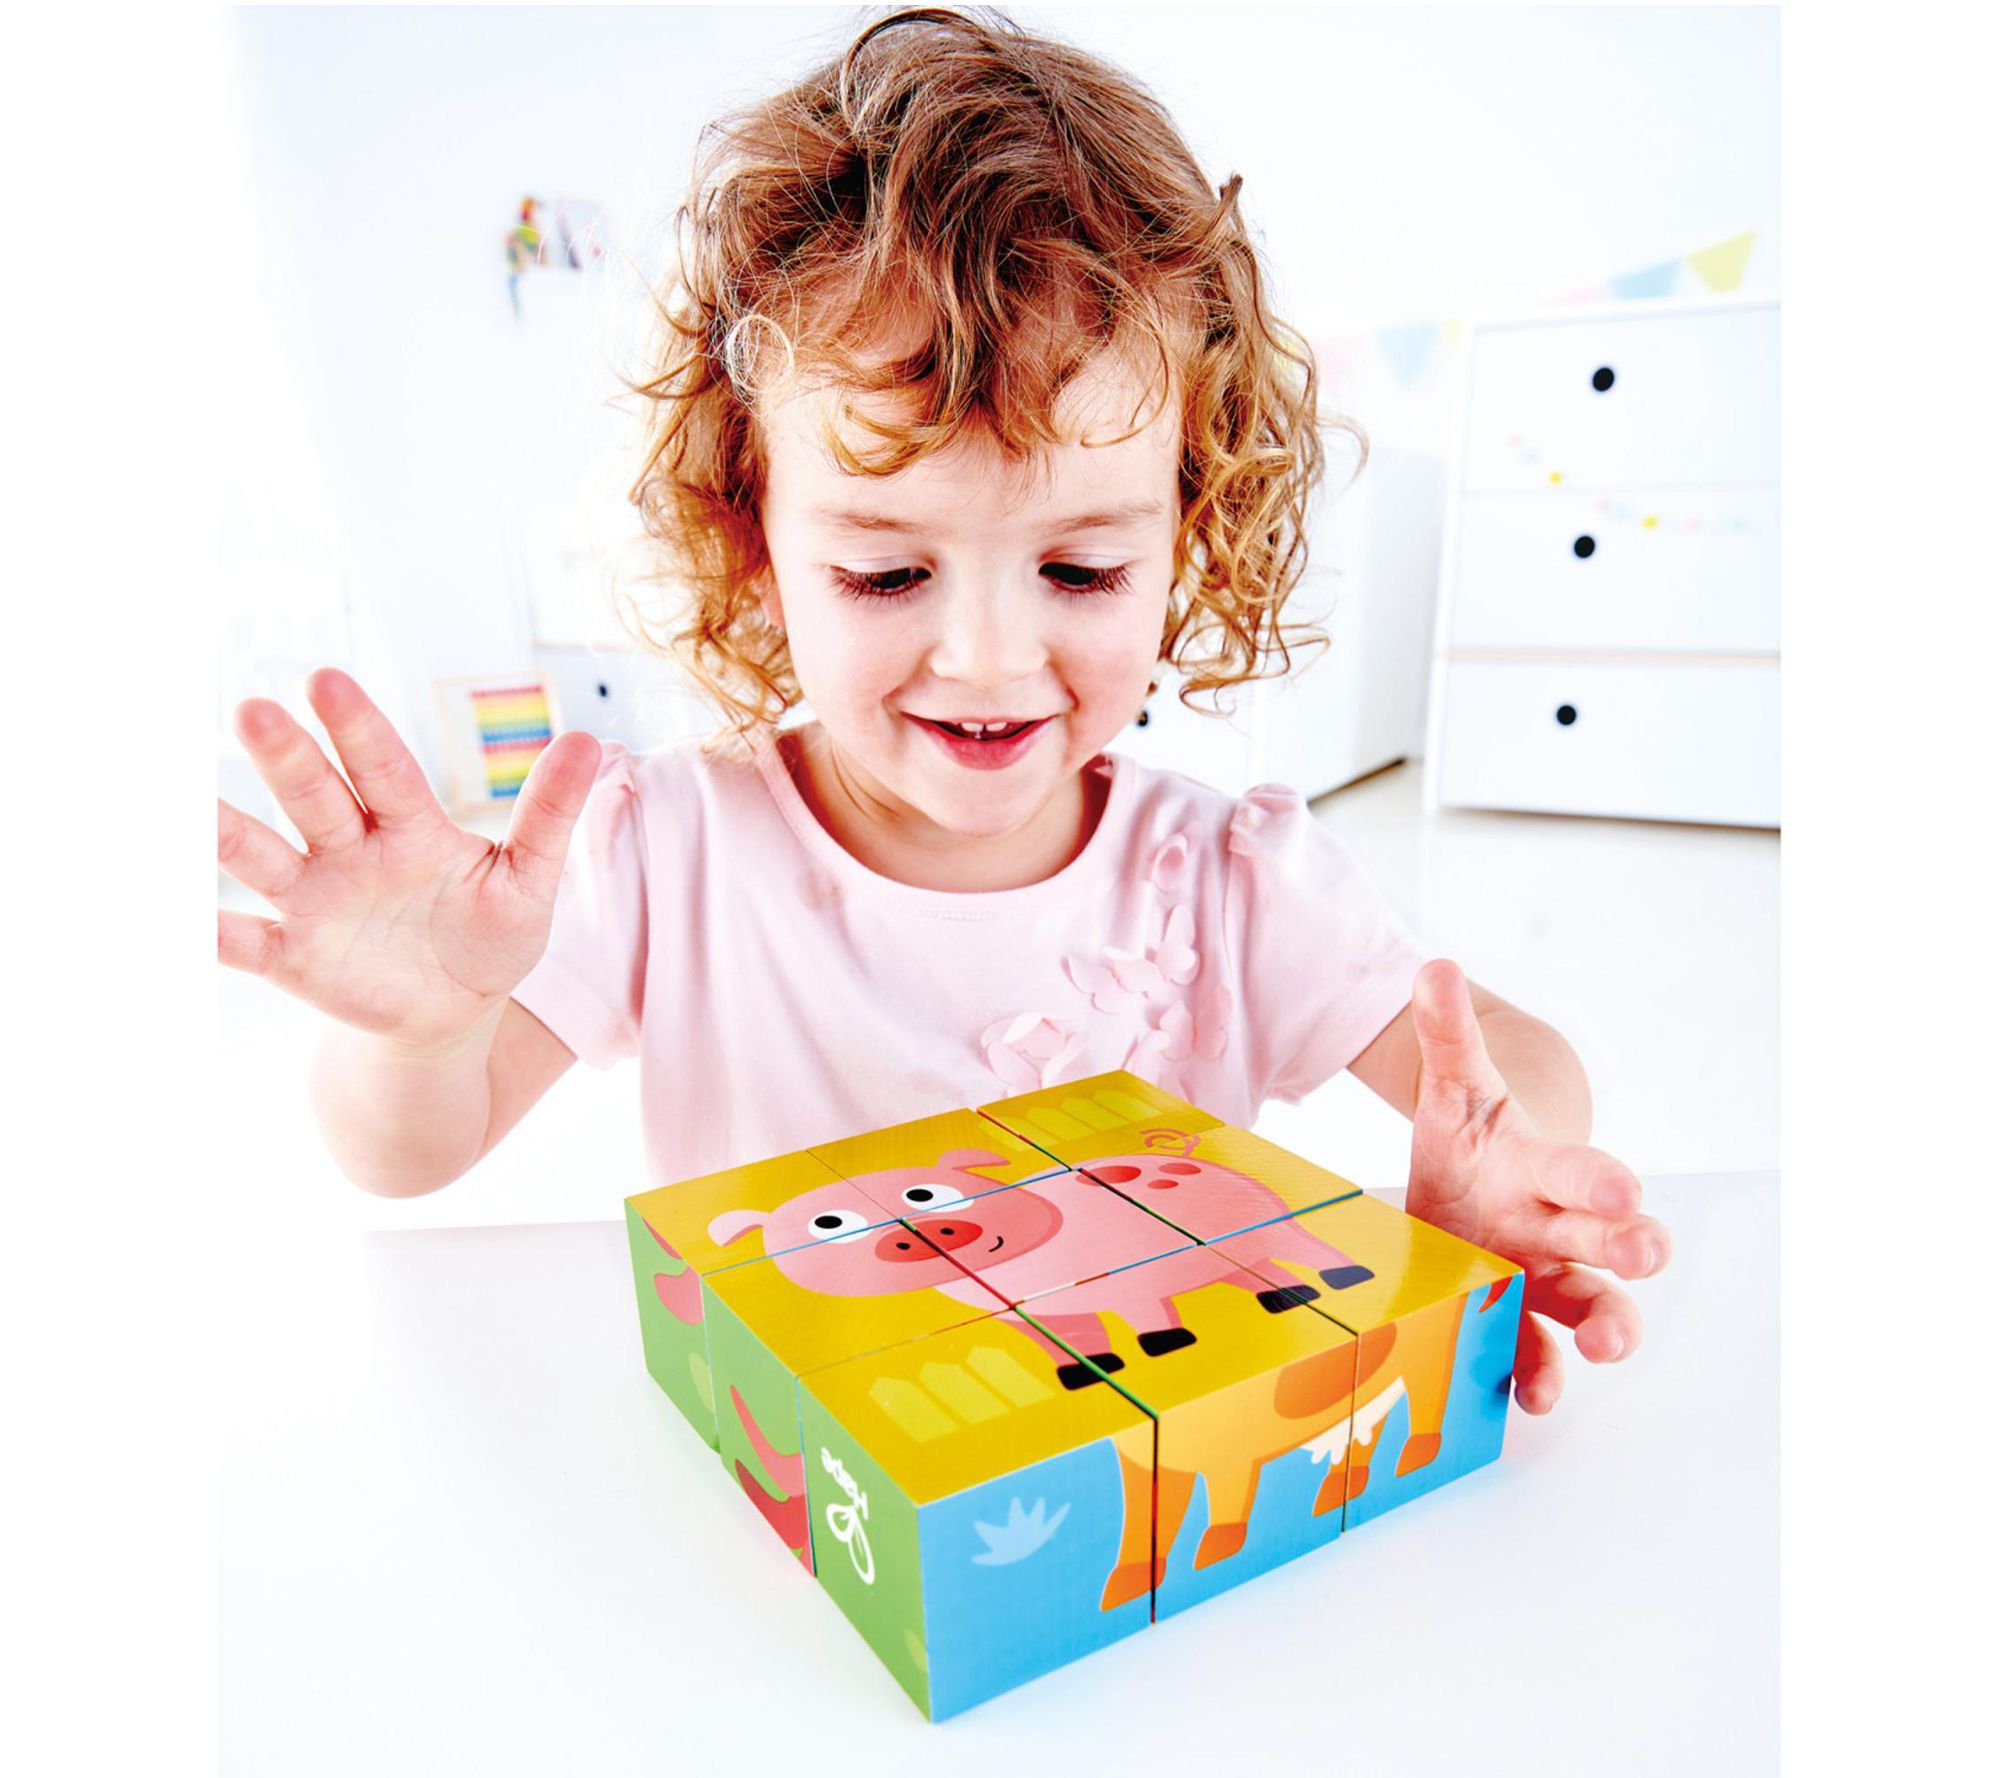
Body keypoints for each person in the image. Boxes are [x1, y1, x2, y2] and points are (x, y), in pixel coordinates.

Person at [216, 6, 1668, 1416]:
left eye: (1080, 569)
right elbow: (411, 1153)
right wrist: (420, 1042)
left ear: (1189, 532)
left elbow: (1509, 1056)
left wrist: (1507, 1163)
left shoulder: (1232, 881)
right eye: (887, 572)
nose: (983, 657)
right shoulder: (667, 853)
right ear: (753, 540)